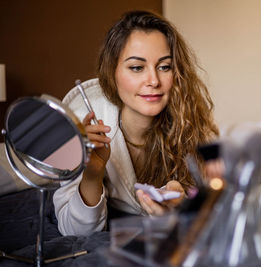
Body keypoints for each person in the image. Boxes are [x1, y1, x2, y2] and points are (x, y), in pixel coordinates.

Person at [53, 10, 219, 236]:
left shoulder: (190, 124)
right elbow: (73, 231)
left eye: (164, 67)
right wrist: (93, 174)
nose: (153, 81)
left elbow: (218, 209)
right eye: (137, 67)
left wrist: (182, 209)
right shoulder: (81, 125)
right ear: (112, 73)